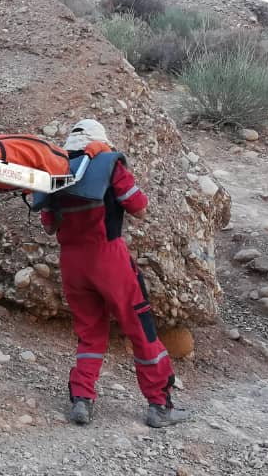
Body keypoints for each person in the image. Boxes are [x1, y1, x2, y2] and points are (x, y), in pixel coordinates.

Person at [40, 119, 191, 428]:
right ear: (100, 142)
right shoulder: (109, 163)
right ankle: (160, 406)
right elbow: (138, 206)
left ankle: (82, 399)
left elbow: (48, 225)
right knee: (141, 328)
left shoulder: (56, 170)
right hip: (108, 256)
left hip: (71, 261)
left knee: (89, 332)